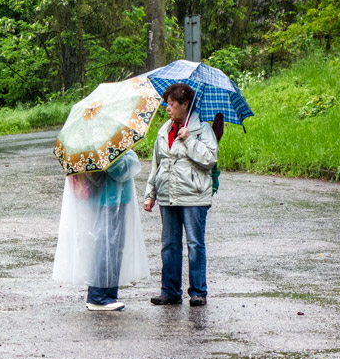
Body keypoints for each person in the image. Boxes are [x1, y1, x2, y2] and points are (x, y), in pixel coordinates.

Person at [142, 83, 219, 306]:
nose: (168, 108)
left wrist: (189, 140)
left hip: (194, 196)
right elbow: (157, 165)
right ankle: (170, 291)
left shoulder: (201, 130)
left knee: (195, 244)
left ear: (185, 105)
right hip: (167, 196)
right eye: (167, 103)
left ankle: (198, 292)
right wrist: (150, 194)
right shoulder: (164, 131)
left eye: (172, 104)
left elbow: (209, 159)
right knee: (169, 244)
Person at [53, 149, 148, 311]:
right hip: (110, 198)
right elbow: (120, 170)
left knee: (108, 245)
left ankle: (105, 294)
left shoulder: (95, 140)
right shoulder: (105, 143)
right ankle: (100, 296)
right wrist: (129, 156)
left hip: (107, 197)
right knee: (108, 246)